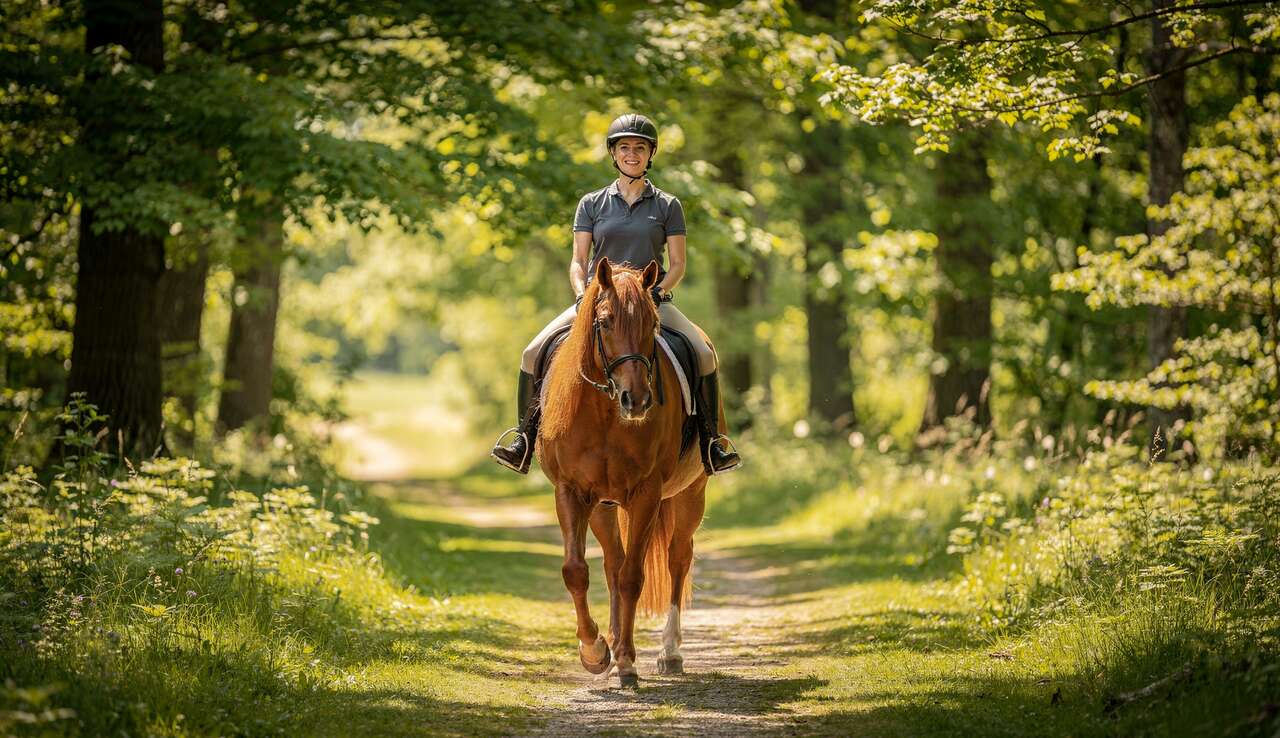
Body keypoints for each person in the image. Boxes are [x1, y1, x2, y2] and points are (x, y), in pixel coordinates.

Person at [491, 113, 742, 476]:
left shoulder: (667, 205)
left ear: (650, 154)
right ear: (614, 153)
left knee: (703, 353)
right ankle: (523, 440)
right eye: (624, 147)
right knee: (532, 352)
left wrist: (654, 293)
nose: (632, 154)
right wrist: (583, 294)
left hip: (649, 302)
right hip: (599, 301)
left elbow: (677, 264)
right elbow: (578, 260)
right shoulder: (592, 204)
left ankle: (711, 443)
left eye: (639, 148)